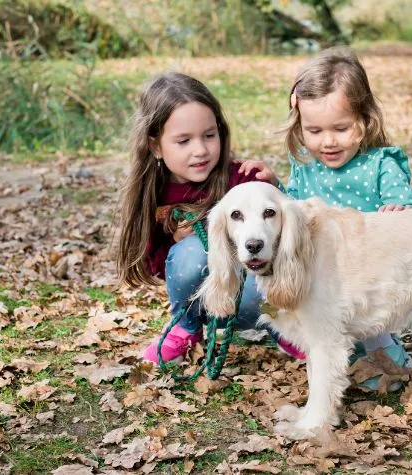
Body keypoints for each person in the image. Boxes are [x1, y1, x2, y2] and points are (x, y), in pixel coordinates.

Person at [243, 47, 412, 390]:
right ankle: (318, 342)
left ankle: (380, 348)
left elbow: (404, 204)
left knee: (382, 378)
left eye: (340, 128)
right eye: (314, 130)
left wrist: (398, 210)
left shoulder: (380, 165)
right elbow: (294, 210)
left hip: (366, 277)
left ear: (365, 119)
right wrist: (274, 186)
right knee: (325, 341)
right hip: (320, 275)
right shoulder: (307, 168)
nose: (327, 142)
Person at [115, 72, 304, 365]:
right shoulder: (154, 194)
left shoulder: (243, 181)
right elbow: (156, 264)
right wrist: (177, 241)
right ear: (155, 146)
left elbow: (291, 230)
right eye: (183, 141)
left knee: (264, 283)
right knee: (190, 252)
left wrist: (276, 188)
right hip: (201, 299)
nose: (200, 150)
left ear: (221, 132)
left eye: (209, 135)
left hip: (253, 295)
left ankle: (282, 326)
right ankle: (186, 326)